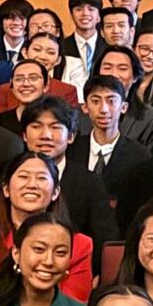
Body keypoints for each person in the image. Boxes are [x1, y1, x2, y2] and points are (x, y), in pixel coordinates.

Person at [0, 152, 95, 301]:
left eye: (41, 178)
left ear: (55, 192)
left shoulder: (79, 245)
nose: (32, 185)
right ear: (6, 189)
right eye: (23, 177)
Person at [19, 96, 119, 243]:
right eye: (36, 126)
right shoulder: (9, 176)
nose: (45, 135)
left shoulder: (89, 183)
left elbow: (104, 240)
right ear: (24, 136)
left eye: (55, 127)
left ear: (71, 136)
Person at [61, 0, 104, 75]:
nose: (85, 13)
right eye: (79, 9)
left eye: (91, 9)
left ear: (99, 16)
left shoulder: (108, 47)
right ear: (71, 15)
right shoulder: (61, 47)